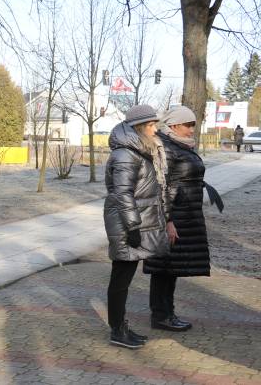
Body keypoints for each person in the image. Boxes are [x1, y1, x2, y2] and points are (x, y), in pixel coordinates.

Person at [144, 106, 215, 332]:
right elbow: (160, 186)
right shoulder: (164, 147)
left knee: (171, 268)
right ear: (174, 125)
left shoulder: (179, 145)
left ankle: (168, 313)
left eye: (194, 124)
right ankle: (161, 316)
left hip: (186, 214)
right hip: (173, 216)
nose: (192, 129)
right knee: (163, 268)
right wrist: (167, 220)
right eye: (188, 125)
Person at [104, 105, 169, 349]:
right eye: (152, 125)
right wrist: (132, 227)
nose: (156, 129)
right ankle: (117, 331)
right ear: (140, 127)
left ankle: (120, 327)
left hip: (133, 222)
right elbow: (123, 193)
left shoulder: (136, 151)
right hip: (126, 225)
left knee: (123, 279)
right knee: (120, 279)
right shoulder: (125, 154)